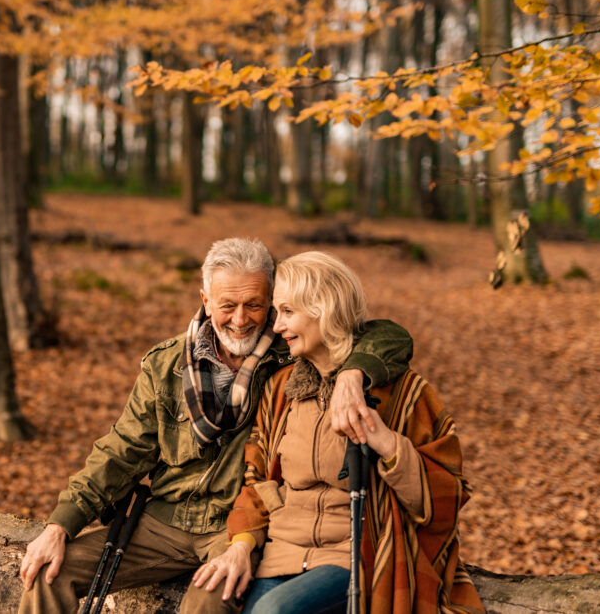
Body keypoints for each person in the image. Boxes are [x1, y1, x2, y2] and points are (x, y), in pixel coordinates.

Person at [18, 238, 414, 613]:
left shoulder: (291, 354)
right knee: (47, 576)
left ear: (273, 303)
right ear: (205, 300)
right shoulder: (168, 364)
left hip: (235, 526)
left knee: (208, 603)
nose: (240, 320)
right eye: (227, 305)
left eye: (254, 305)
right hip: (164, 519)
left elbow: (387, 335)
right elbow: (121, 451)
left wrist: (354, 374)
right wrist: (60, 524)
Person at [193, 251, 484, 614]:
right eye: (276, 313)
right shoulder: (281, 389)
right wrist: (241, 543)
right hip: (280, 554)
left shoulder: (400, 393)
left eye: (287, 312)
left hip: (354, 558)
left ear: (324, 309)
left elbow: (447, 498)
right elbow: (256, 480)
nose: (277, 327)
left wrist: (387, 443)